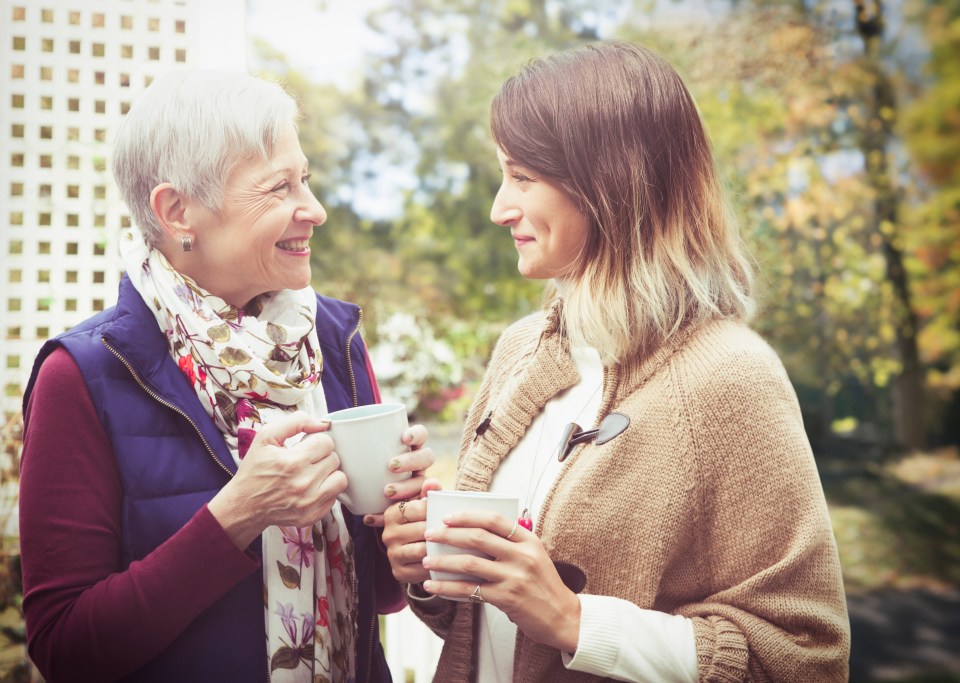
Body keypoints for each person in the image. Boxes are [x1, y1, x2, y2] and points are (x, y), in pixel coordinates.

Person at [381, 41, 850, 682]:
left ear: (608, 182)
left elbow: (805, 658)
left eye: (522, 177)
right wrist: (435, 576)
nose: (499, 207)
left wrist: (575, 622)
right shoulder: (521, 351)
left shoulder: (731, 376)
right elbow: (491, 634)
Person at [19, 70, 434, 683]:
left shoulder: (331, 340)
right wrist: (236, 516)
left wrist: (402, 536)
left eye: (306, 181)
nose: (314, 210)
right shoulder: (83, 374)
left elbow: (378, 596)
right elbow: (65, 651)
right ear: (178, 211)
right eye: (278, 188)